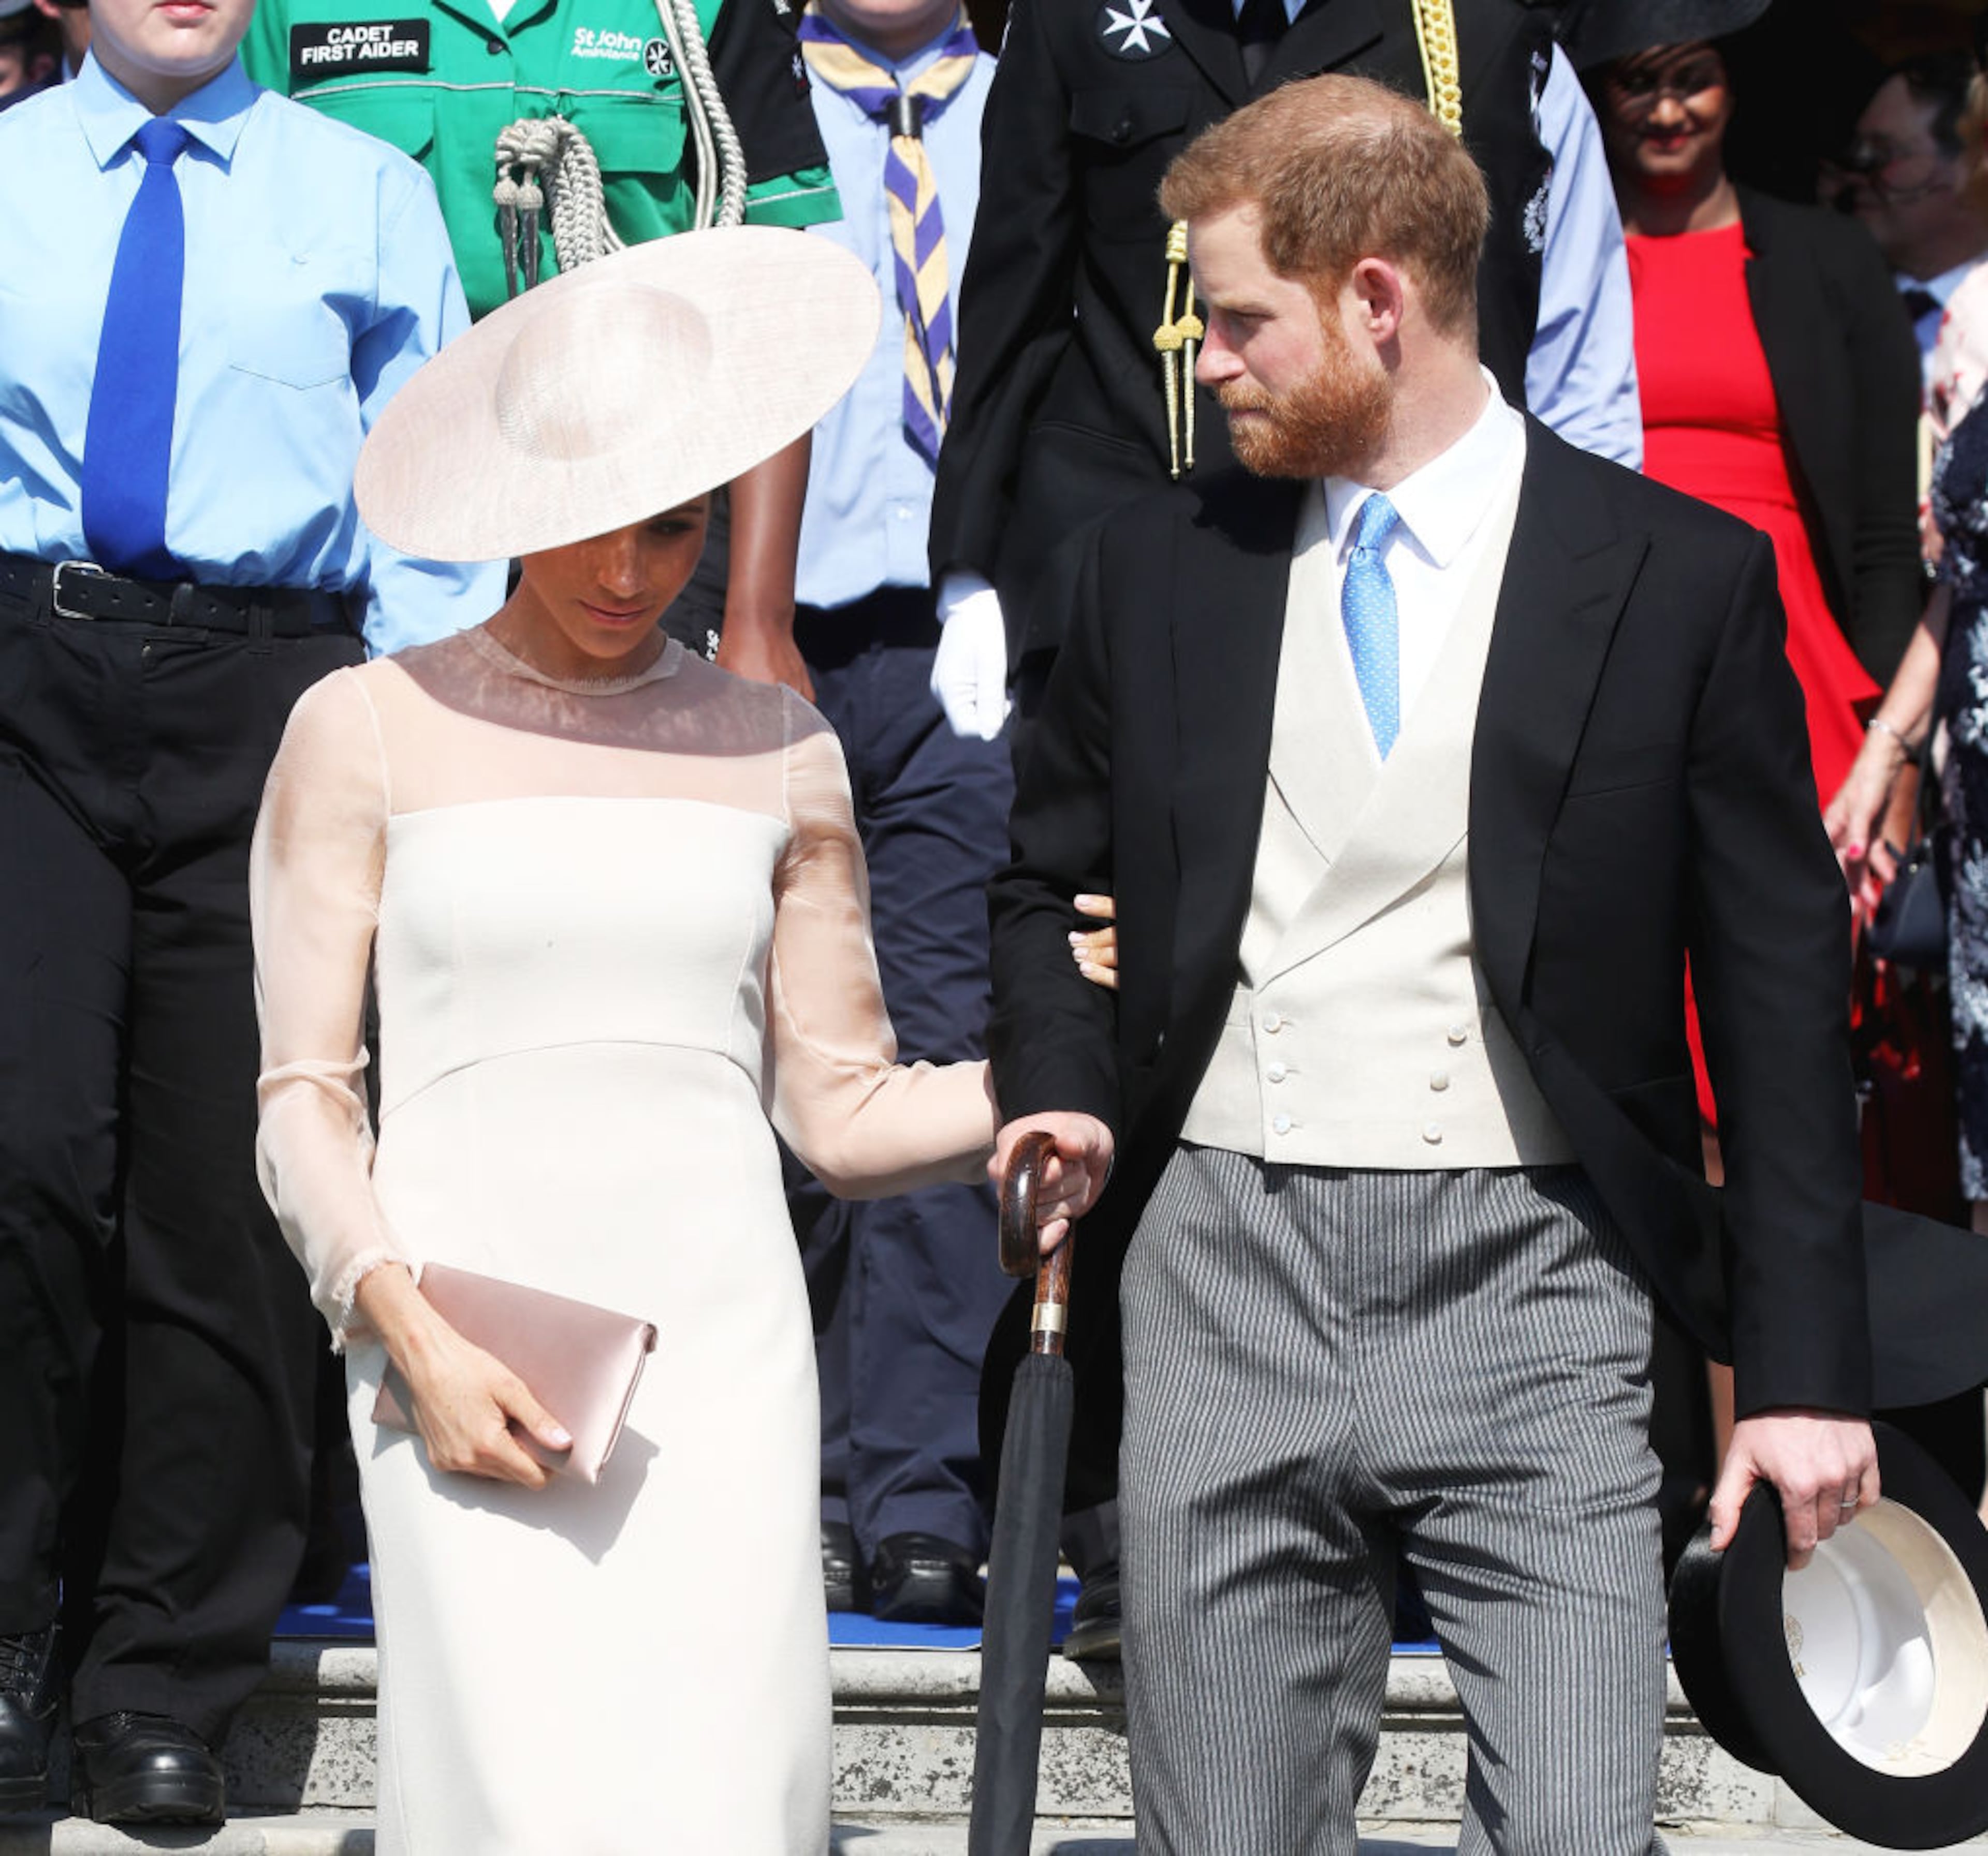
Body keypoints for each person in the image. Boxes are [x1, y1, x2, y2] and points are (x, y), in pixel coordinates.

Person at [985, 74, 1884, 1850]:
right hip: (1219, 1276)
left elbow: (1778, 996)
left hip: (1540, 1284)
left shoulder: (1680, 577)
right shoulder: (1146, 569)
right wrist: (1065, 1096)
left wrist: (1800, 1373)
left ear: (1376, 300)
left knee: (1575, 1829)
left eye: (1238, 314)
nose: (1206, 355)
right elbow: (1041, 890)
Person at [250, 230, 1034, 1854]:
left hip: (724, 1369)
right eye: (589, 530)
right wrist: (403, 1329)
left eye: (671, 528)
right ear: (514, 505)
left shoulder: (781, 747)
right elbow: (304, 1104)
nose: (627, 573)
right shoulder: (362, 725)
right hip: (469, 1352)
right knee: (508, 1806)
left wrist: (1060, 1076)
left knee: (729, 1809)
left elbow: (838, 1112)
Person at [0, 0, 495, 1823]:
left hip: (272, 698)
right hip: (21, 679)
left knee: (227, 1195)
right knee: (24, 1149)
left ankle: (164, 1677)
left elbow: (429, 482)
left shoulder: (363, 195)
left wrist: (409, 727)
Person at [924, 0, 1645, 739]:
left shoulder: (1473, 29)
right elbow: (1014, 298)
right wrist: (967, 565)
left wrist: (1582, 571)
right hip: (1117, 546)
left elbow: (1551, 337)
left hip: (1374, 561)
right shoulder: (1067, 14)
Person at [239, 0, 840, 686]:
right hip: (379, 534)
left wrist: (761, 621)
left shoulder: (703, 9)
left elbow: (765, 303)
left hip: (635, 536)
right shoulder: (275, 9)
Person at [1586, 13, 1920, 1098]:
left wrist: (1889, 737)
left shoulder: (1826, 259)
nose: (1670, 110)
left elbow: (1880, 524)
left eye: (1695, 80)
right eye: (1642, 84)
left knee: (1798, 998)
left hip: (1797, 666)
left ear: (1734, 93)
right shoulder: (1556, 266)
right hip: (1615, 647)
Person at [786, 0, 1010, 1621]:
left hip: (972, 636)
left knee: (941, 1047)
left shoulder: (1028, 104)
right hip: (759, 628)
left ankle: (916, 1482)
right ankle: (775, 1461)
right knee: (763, 1048)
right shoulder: (735, 101)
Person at [1824, 49, 1988, 395]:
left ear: (1969, 163)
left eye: (1883, 153)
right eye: (1858, 150)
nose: (1857, 172)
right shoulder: (1822, 306)